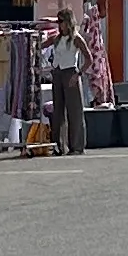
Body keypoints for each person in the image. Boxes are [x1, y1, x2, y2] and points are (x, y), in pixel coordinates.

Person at [47, 13, 89, 154]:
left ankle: (76, 146)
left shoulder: (76, 39)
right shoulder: (57, 39)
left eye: (62, 22)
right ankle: (58, 145)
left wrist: (78, 74)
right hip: (57, 73)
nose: (60, 25)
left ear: (68, 22)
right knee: (58, 111)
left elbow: (89, 59)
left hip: (70, 72)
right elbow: (41, 45)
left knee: (74, 111)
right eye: (59, 22)